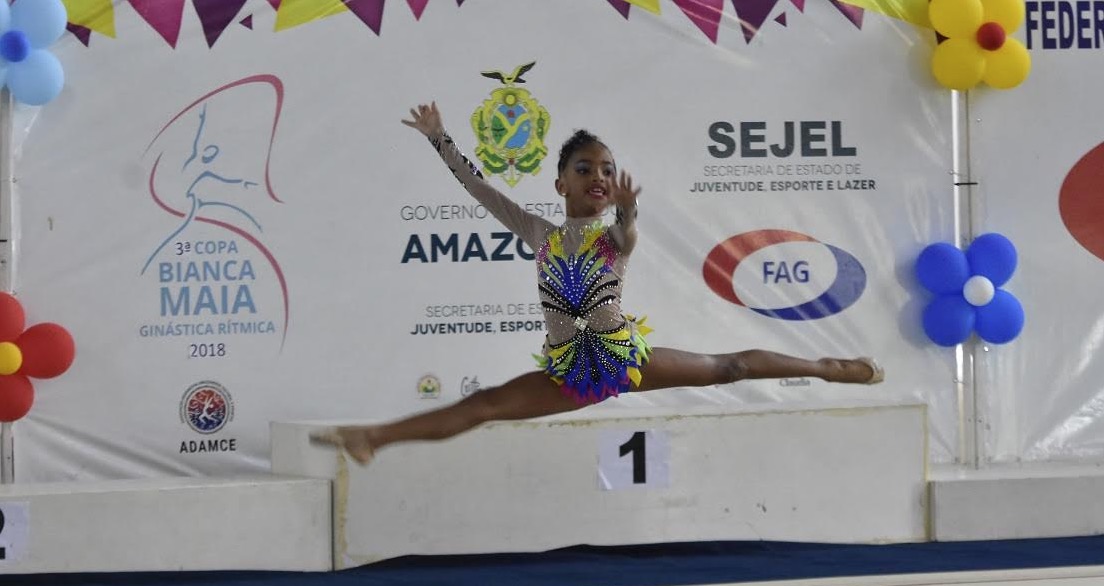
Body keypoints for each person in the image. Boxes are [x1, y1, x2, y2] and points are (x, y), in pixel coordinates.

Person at [312, 102, 883, 464]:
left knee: (728, 367)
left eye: (607, 169)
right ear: (560, 184)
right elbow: (480, 189)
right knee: (485, 404)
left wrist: (630, 213)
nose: (598, 177)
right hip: (570, 372)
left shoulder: (612, 237)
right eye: (584, 169)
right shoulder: (540, 233)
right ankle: (372, 439)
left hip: (622, 357)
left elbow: (628, 237)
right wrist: (438, 138)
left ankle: (833, 368)